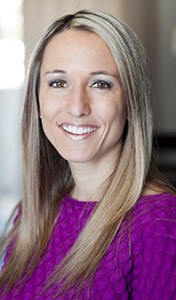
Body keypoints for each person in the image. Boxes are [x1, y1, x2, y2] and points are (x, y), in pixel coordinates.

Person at [0, 9, 176, 300]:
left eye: (100, 84)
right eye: (58, 82)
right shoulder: (30, 216)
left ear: (132, 101)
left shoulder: (160, 224)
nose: (77, 106)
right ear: (37, 100)